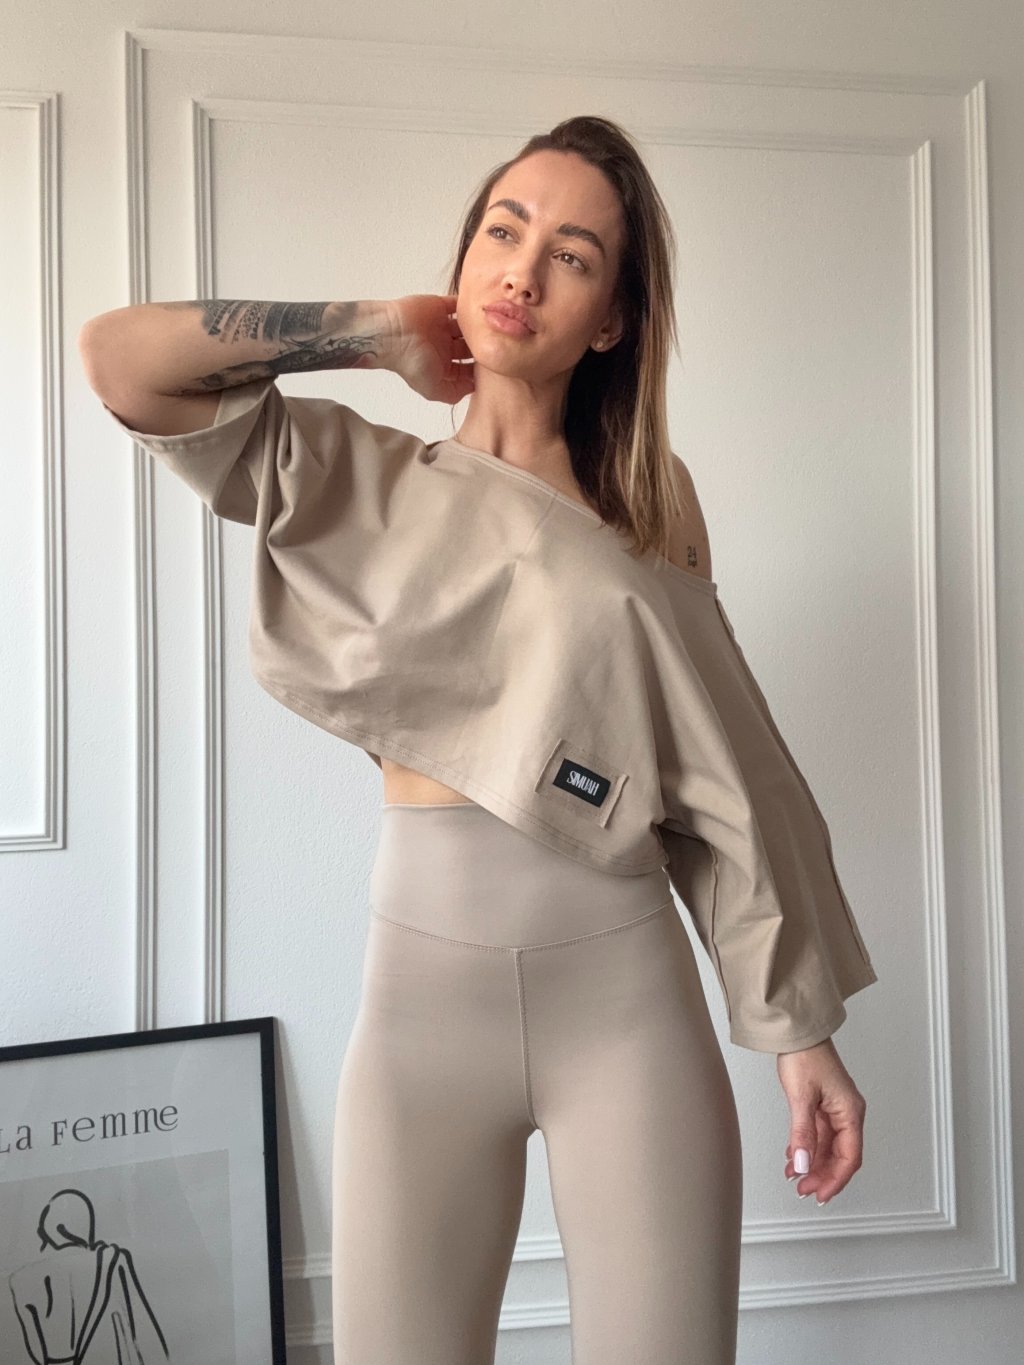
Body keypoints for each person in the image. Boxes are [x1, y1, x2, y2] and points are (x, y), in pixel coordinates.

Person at [80, 115, 878, 1365]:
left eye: (572, 255)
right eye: (505, 231)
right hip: (419, 1018)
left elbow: (729, 773)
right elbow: (122, 360)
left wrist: (797, 1030)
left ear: (612, 319)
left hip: (626, 1008)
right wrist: (375, 330)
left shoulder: (649, 508)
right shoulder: (351, 476)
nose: (524, 270)